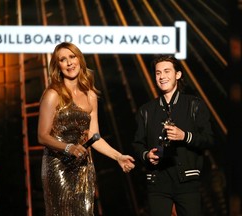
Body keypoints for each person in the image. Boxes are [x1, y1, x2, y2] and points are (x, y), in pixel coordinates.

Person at [37, 42, 135, 216]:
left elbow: (94, 135)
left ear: (79, 59)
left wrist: (118, 156)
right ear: (58, 66)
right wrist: (68, 147)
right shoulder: (53, 94)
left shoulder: (90, 95)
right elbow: (42, 136)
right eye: (63, 59)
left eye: (72, 57)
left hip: (83, 165)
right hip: (58, 164)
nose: (69, 63)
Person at [132, 55, 215, 216]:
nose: (162, 76)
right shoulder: (146, 110)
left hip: (188, 183)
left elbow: (209, 139)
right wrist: (146, 155)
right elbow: (137, 143)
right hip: (157, 184)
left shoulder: (194, 105)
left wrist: (185, 136)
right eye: (158, 73)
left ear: (178, 74)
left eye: (167, 71)